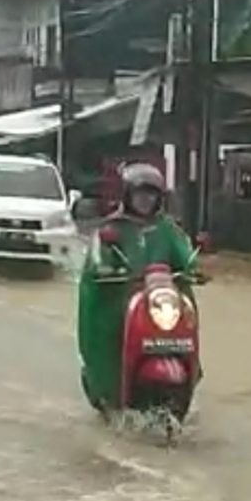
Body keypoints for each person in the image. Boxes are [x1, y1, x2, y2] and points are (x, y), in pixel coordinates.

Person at [77, 162, 197, 406]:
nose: (145, 200)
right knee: (108, 336)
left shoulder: (167, 229)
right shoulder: (111, 229)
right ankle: (107, 386)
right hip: (119, 299)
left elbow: (184, 257)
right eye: (140, 194)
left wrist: (192, 268)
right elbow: (96, 261)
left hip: (159, 300)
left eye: (151, 195)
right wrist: (104, 268)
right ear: (127, 195)